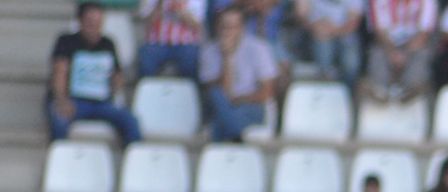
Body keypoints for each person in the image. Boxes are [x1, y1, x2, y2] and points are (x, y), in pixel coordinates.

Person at [46, 2, 142, 146]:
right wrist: (62, 100)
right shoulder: (66, 41)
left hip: (100, 102)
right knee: (59, 120)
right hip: (74, 101)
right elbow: (59, 72)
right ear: (80, 21)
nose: (94, 27)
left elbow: (117, 74)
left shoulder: (108, 44)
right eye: (90, 22)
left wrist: (116, 82)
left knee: (129, 121)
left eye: (98, 23)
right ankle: (60, 158)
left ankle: (135, 159)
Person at [198, 7, 278, 143]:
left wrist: (240, 99)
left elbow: (267, 92)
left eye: (232, 26)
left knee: (221, 121)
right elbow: (221, 94)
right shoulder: (209, 51)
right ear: (217, 27)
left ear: (242, 28)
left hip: (251, 106)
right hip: (221, 107)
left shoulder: (259, 48)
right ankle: (235, 136)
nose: (227, 31)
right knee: (216, 96)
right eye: (224, 26)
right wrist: (227, 58)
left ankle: (223, 138)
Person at [365, 0, 439, 102]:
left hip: (414, 46)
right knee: (377, 54)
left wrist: (405, 53)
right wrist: (392, 51)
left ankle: (412, 91)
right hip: (388, 45)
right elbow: (379, 32)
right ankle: (381, 93)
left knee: (422, 54)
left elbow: (424, 34)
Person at [296, 0, 365, 88]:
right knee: (324, 47)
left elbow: (354, 21)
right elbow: (301, 15)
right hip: (314, 33)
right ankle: (324, 89)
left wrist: (332, 31)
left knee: (351, 61)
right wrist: (314, 27)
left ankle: (348, 93)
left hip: (345, 33)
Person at [137, 0, 206, 79]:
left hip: (186, 44)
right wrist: (160, 5)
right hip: (156, 44)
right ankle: (147, 89)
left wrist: (179, 9)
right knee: (146, 58)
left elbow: (197, 24)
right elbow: (146, 21)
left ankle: (191, 89)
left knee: (190, 60)